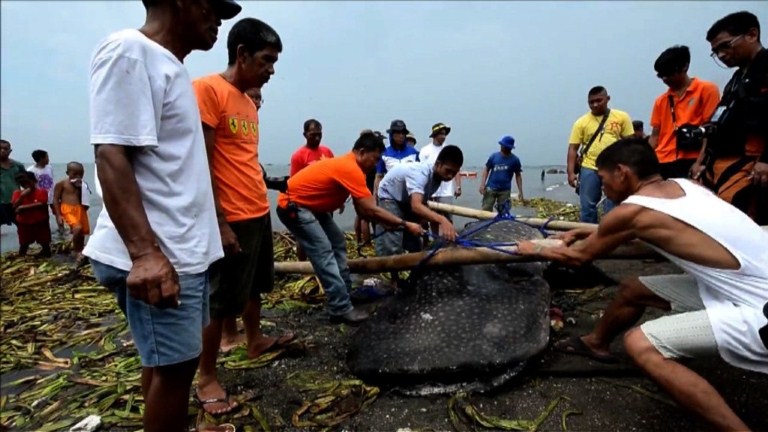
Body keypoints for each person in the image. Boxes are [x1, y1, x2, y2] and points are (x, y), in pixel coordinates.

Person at [518, 139, 767, 432]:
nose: (603, 188)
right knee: (634, 288)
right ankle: (596, 343)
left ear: (622, 172)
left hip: (760, 309)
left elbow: (578, 258)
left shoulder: (632, 212)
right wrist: (590, 232)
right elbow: (661, 230)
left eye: (602, 178)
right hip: (743, 286)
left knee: (639, 344)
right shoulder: (687, 186)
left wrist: (532, 249)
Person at [83, 1, 241, 431]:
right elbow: (110, 154)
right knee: (176, 368)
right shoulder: (130, 51)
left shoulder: (168, 66)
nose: (219, 19)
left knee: (169, 364)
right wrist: (146, 254)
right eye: (212, 6)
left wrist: (215, 228)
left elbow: (175, 170)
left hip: (183, 250)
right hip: (162, 253)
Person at [192, 17, 288, 415]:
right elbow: (203, 161)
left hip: (256, 209)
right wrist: (220, 221)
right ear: (242, 54)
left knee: (254, 286)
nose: (271, 70)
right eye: (266, 60)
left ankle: (254, 340)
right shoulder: (207, 90)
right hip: (228, 214)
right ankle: (207, 376)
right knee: (219, 302)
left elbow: (244, 158)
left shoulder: (248, 101)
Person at [276, 132, 424, 324]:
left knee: (338, 242)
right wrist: (404, 224)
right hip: (293, 207)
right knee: (324, 252)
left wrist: (389, 223)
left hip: (312, 207)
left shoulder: (355, 169)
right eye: (375, 158)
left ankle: (344, 294)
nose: (376, 163)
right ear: (362, 152)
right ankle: (340, 308)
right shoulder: (350, 168)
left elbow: (363, 210)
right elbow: (371, 209)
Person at [691, 11, 768, 225]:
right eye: (716, 51)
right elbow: (716, 122)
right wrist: (701, 162)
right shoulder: (736, 78)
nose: (722, 55)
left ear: (752, 35)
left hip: (751, 162)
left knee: (737, 222)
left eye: (725, 46)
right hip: (720, 162)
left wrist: (766, 160)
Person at [376, 145, 462, 261]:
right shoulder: (420, 173)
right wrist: (442, 220)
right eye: (448, 171)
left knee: (415, 239)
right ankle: (388, 271)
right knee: (393, 237)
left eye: (454, 173)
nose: (450, 176)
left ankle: (411, 265)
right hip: (389, 195)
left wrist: (426, 218)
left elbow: (422, 201)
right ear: (438, 164)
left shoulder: (438, 178)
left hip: (406, 198)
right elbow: (416, 206)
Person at [649, 45, 721, 180]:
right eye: (661, 75)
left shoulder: (706, 90)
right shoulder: (661, 100)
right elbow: (655, 136)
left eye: (669, 73)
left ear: (685, 67)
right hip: (663, 161)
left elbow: (710, 131)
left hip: (691, 158)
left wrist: (700, 162)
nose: (665, 78)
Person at [567, 86, 634, 223]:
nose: (595, 104)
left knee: (613, 205)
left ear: (607, 99)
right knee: (587, 206)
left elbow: (630, 143)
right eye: (591, 102)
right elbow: (573, 148)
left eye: (599, 100)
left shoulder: (621, 117)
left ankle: (609, 235)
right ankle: (587, 235)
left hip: (614, 168)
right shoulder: (581, 123)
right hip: (589, 167)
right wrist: (570, 173)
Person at [418, 122, 462, 234]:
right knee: (433, 216)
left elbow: (457, 170)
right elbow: (421, 171)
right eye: (440, 134)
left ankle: (449, 237)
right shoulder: (425, 151)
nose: (443, 136)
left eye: (444, 134)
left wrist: (458, 186)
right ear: (434, 135)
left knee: (448, 216)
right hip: (431, 190)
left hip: (446, 190)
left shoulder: (449, 150)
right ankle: (435, 238)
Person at [53, 162, 90, 264]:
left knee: (81, 232)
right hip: (67, 209)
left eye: (81, 174)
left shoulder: (82, 184)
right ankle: (76, 250)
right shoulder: (62, 184)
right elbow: (55, 199)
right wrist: (58, 215)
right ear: (67, 173)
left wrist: (80, 187)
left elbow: (84, 199)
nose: (78, 176)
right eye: (75, 174)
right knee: (77, 228)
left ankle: (80, 250)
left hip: (80, 209)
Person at [373, 119, 419, 197]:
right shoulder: (384, 154)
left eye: (403, 133)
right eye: (397, 133)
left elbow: (420, 175)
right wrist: (375, 195)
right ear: (391, 134)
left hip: (410, 195)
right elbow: (379, 176)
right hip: (390, 196)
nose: (401, 136)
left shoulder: (413, 152)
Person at [11, 171, 52, 257]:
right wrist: (22, 196)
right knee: (24, 243)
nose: (25, 185)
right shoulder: (17, 193)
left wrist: (23, 207)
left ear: (34, 181)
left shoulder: (41, 192)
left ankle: (45, 253)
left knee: (44, 242)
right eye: (22, 184)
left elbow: (42, 203)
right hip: (24, 223)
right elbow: (15, 206)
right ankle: (22, 256)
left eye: (27, 183)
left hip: (40, 222)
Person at [479, 135, 524, 212]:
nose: (503, 147)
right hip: (491, 189)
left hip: (505, 190)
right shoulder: (494, 157)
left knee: (504, 212)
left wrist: (520, 191)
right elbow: (486, 170)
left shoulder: (515, 160)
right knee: (486, 210)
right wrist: (482, 185)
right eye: (502, 146)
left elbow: (518, 175)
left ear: (510, 148)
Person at [27, 149, 58, 229]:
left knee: (57, 212)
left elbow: (52, 180)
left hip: (52, 194)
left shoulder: (49, 167)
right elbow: (30, 184)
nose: (48, 159)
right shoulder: (31, 170)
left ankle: (61, 229)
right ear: (41, 158)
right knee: (43, 215)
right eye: (47, 157)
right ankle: (45, 229)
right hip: (41, 196)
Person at [0, 139, 26, 227]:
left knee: (22, 225)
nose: (2, 150)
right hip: (1, 203)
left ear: (10, 151)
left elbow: (26, 183)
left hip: (16, 202)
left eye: (5, 149)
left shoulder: (18, 166)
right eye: (0, 148)